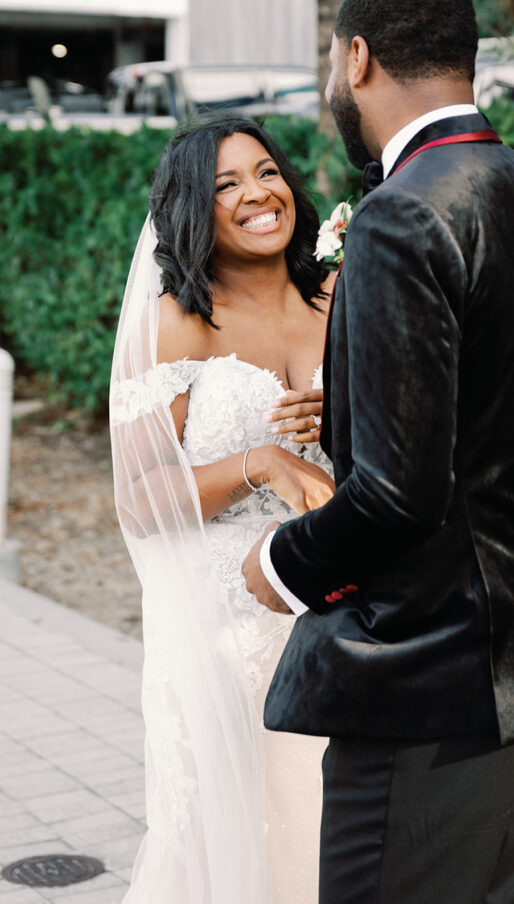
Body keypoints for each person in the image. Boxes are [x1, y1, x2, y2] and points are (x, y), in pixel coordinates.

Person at [242, 0, 514, 904]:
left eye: (337, 66)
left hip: (435, 679)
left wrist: (280, 564)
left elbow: (395, 495)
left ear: (357, 59)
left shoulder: (399, 215)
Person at [109, 115, 336, 904]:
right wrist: (258, 462)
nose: (256, 194)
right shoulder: (176, 323)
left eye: (266, 172)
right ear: (191, 210)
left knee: (328, 825)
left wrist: (334, 422)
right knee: (235, 839)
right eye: (226, 184)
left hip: (334, 601)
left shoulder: (339, 296)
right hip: (221, 626)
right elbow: (139, 500)